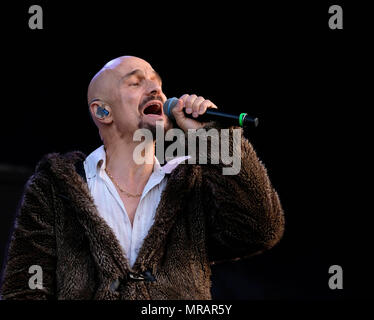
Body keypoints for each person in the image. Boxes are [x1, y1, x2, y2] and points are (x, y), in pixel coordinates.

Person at [0, 56, 284, 300]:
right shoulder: (56, 187)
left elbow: (260, 230)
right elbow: (24, 289)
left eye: (157, 84)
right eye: (136, 83)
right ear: (102, 111)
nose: (156, 91)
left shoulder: (190, 181)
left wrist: (209, 138)